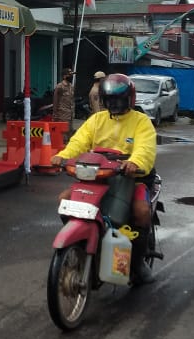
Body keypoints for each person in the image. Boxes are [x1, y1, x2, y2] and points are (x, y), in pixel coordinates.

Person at [50, 73, 158, 282]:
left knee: (141, 211)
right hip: (97, 176)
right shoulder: (96, 120)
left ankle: (137, 264)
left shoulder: (141, 121)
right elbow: (78, 143)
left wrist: (134, 162)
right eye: (110, 100)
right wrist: (62, 156)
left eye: (119, 99)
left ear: (130, 99)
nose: (115, 103)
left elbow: (145, 148)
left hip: (131, 178)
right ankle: (81, 243)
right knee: (64, 200)